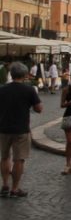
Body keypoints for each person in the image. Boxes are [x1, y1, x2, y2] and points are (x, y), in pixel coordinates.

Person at [0, 62, 43, 199]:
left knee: (5, 157)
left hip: (3, 127)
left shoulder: (2, 89)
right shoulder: (29, 90)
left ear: (11, 74)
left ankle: (5, 185)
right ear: (24, 75)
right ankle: (15, 188)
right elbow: (39, 109)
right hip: (21, 128)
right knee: (19, 159)